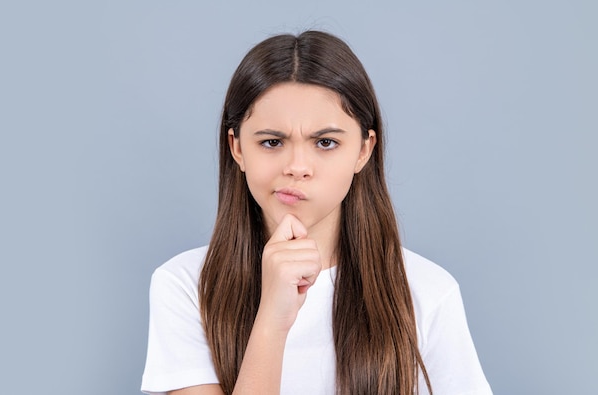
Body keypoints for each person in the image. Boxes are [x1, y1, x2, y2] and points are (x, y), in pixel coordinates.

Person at [141, 30, 492, 395]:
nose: (297, 166)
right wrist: (271, 322)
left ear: (363, 151)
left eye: (326, 143)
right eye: (272, 142)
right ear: (237, 148)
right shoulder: (185, 287)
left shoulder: (428, 292)